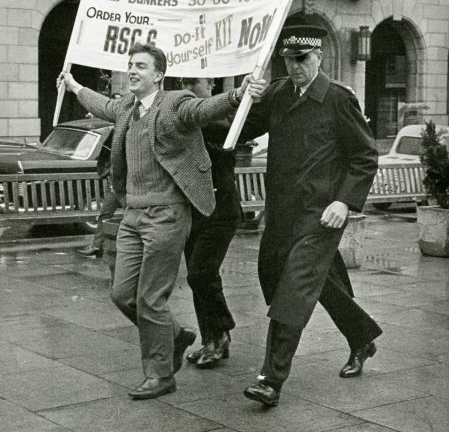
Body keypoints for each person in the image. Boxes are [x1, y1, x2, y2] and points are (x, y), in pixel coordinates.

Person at [57, 43, 264, 401]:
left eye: (141, 66)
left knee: (150, 298)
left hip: (167, 215)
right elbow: (100, 104)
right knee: (122, 295)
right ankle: (176, 335)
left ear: (158, 75)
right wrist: (73, 85)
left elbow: (203, 109)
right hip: (133, 216)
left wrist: (238, 93)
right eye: (130, 65)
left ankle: (160, 374)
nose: (133, 71)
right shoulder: (125, 107)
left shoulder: (174, 103)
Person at [240, 25, 383, 407]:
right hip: (282, 213)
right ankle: (361, 337)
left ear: (318, 57)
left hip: (322, 216)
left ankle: (270, 380)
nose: (295, 66)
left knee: (294, 290)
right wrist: (243, 98)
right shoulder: (277, 94)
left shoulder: (337, 98)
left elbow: (365, 155)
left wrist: (345, 202)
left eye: (302, 59)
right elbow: (240, 130)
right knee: (282, 277)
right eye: (288, 59)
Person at [180, 78, 241, 368]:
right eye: (183, 82)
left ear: (211, 84)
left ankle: (222, 332)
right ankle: (211, 340)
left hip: (219, 210)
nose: (189, 87)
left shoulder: (218, 120)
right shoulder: (181, 117)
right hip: (193, 210)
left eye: (196, 82)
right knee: (199, 276)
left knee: (200, 274)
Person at [76, 131, 120, 263]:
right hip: (115, 182)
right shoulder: (117, 129)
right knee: (105, 214)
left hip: (124, 183)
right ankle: (97, 246)